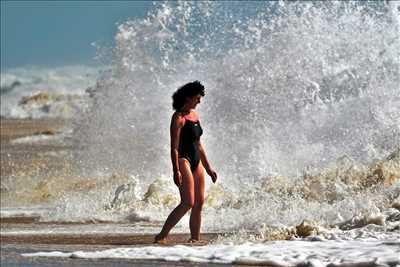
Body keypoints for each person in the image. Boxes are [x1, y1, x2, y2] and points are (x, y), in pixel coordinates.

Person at [154, 81, 218, 244]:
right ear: (188, 97)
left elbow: (199, 144)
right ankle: (162, 235)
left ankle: (194, 239)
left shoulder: (195, 116)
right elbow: (174, 147)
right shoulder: (178, 118)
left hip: (197, 162)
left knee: (199, 203)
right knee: (188, 202)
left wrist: (208, 167)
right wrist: (176, 171)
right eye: (197, 98)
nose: (199, 101)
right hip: (184, 160)